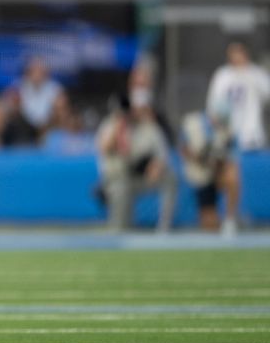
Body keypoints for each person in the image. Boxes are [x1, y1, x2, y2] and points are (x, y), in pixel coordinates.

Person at [96, 89, 177, 232]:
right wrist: (119, 126)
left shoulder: (150, 128)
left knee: (170, 178)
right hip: (117, 178)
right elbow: (105, 148)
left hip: (142, 177)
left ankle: (164, 227)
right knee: (120, 190)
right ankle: (118, 229)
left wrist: (157, 165)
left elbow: (163, 154)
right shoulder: (110, 124)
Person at [179, 106, 239, 236]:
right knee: (209, 224)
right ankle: (219, 223)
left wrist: (216, 163)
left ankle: (230, 219)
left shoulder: (227, 131)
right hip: (199, 174)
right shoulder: (193, 124)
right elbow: (183, 148)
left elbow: (229, 158)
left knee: (232, 174)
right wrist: (200, 158)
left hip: (216, 173)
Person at [206, 41, 270, 151]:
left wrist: (247, 72)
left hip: (252, 136)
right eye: (233, 52)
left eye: (239, 52)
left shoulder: (256, 73)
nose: (236, 56)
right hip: (228, 137)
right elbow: (213, 103)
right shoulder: (222, 75)